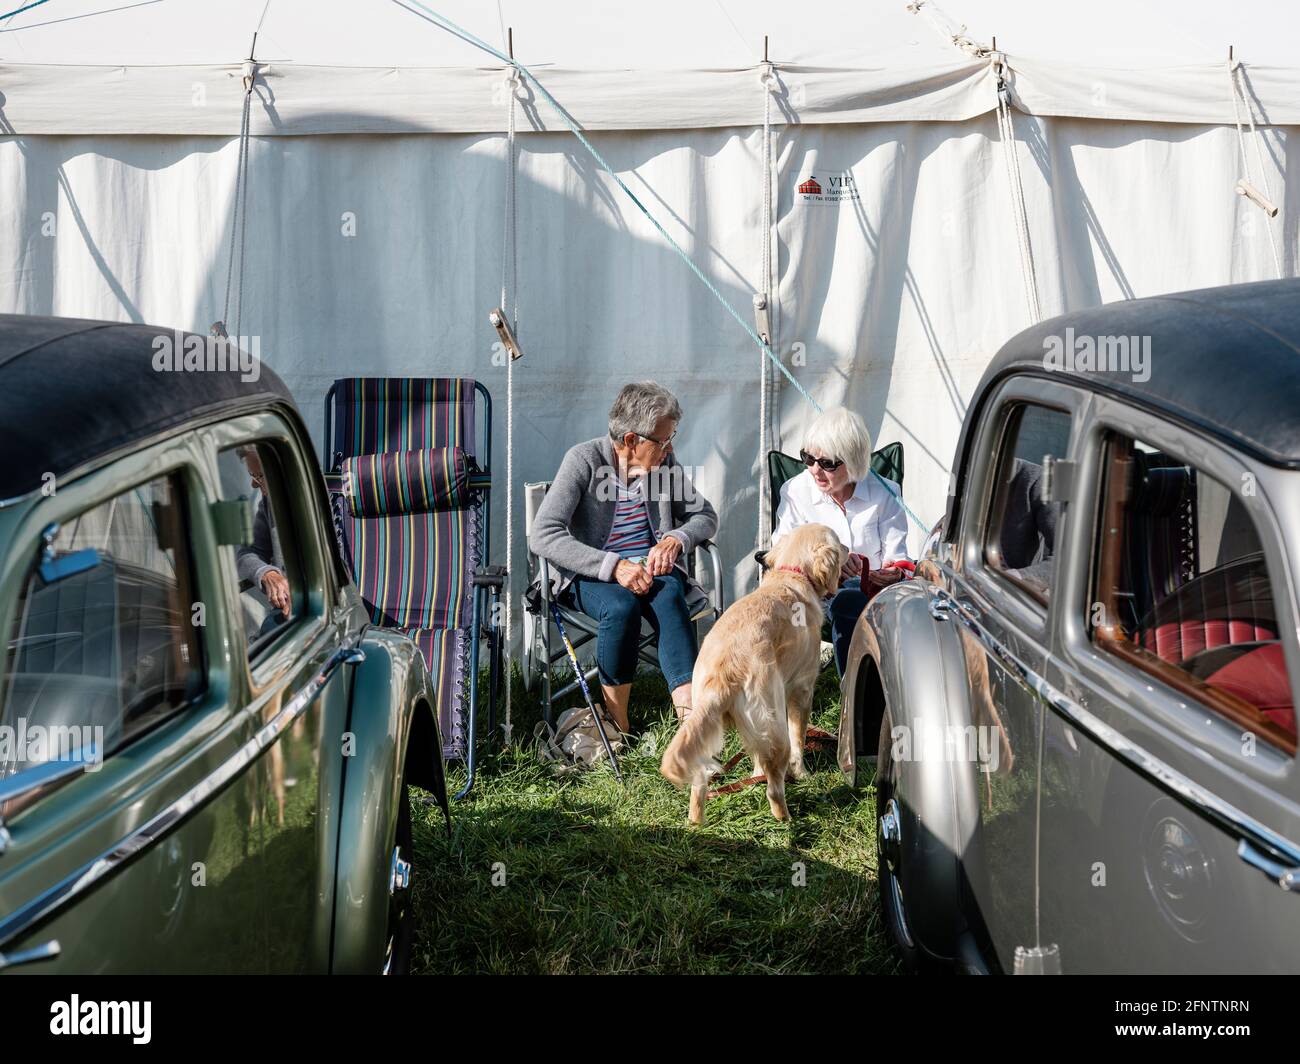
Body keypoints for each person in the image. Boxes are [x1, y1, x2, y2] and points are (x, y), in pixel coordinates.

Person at [531, 382, 718, 733]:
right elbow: (544, 533)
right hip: (590, 573)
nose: (670, 446)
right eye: (664, 439)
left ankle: (693, 724)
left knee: (670, 594)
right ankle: (617, 725)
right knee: (620, 607)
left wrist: (677, 538)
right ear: (632, 440)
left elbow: (705, 516)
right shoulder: (583, 460)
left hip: (649, 567)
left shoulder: (665, 465)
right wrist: (613, 566)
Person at [772, 407, 908, 675]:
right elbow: (781, 555)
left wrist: (879, 573)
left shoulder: (885, 494)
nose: (815, 470)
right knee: (843, 600)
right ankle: (854, 688)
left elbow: (898, 562)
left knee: (850, 599)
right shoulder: (795, 491)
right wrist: (830, 565)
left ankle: (863, 685)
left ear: (854, 461)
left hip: (870, 594)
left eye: (828, 464)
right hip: (812, 593)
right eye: (808, 458)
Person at [234, 446, 291, 638]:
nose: (253, 485)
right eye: (252, 474)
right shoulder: (269, 503)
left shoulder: (326, 503)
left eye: (259, 476)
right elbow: (247, 553)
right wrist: (267, 573)